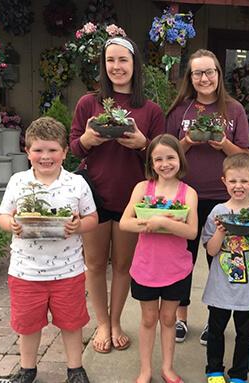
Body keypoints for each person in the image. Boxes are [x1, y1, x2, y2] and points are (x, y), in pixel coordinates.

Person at [69, 35, 165, 353]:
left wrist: (142, 144)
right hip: (94, 194)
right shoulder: (89, 104)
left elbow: (163, 157)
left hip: (132, 199)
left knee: (123, 266)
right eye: (111, 60)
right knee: (95, 264)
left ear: (134, 65)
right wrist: (88, 140)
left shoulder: (149, 110)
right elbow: (73, 147)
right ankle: (101, 322)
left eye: (123, 60)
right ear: (103, 65)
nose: (116, 66)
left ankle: (116, 322)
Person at [0, 117, 99, 383]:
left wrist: (78, 226)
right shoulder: (18, 182)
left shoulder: (76, 184)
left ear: (65, 152)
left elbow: (92, 218)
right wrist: (13, 224)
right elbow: (2, 216)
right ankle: (27, 368)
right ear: (27, 151)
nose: (45, 156)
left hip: (68, 271)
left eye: (53, 150)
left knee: (72, 323)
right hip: (25, 272)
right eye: (38, 150)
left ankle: (75, 369)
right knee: (28, 325)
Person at [166, 49, 249, 344]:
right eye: (198, 73)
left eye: (210, 71)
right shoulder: (181, 111)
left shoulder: (234, 110)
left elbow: (243, 155)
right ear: (190, 78)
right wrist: (188, 142)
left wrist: (223, 143)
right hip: (185, 194)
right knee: (182, 258)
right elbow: (166, 152)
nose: (204, 78)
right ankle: (181, 318)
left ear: (218, 74)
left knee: (220, 259)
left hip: (223, 197)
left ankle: (216, 319)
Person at [119, 134, 198, 383]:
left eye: (170, 157)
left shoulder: (188, 193)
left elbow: (192, 231)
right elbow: (125, 223)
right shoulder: (143, 189)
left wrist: (164, 222)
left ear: (180, 159)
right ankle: (145, 370)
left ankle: (167, 367)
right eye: (159, 159)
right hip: (146, 267)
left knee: (168, 318)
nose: (165, 164)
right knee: (148, 318)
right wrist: (148, 223)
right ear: (151, 163)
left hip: (176, 268)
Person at [201, 153, 249, 383]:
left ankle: (239, 374)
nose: (238, 186)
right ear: (224, 181)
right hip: (220, 287)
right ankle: (214, 370)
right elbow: (211, 251)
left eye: (244, 181)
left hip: (248, 289)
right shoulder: (217, 212)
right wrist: (221, 231)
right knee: (216, 330)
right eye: (233, 181)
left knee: (244, 334)